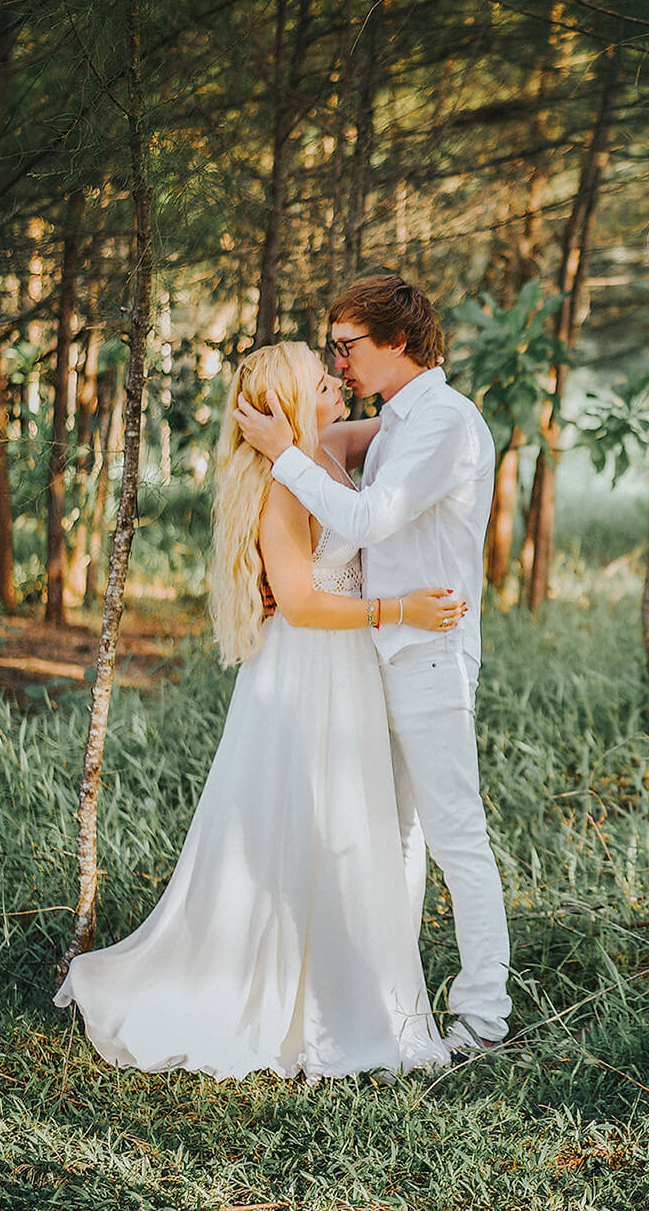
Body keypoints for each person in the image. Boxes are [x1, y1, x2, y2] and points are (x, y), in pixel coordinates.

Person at [54, 341, 465, 1081]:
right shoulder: (285, 484)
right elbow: (303, 605)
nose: (335, 375)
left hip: (348, 669)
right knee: (309, 822)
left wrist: (416, 374)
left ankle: (349, 980)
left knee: (344, 820)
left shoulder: (330, 446)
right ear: (292, 398)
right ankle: (296, 996)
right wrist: (402, 607)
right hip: (308, 670)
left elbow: (407, 419)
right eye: (320, 369)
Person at [232, 274, 509, 1057]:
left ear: (399, 341)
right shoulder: (393, 424)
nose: (340, 361)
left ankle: (484, 1017)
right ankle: (394, 1004)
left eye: (349, 346)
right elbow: (327, 463)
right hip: (371, 654)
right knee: (391, 836)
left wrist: (285, 453)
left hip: (426, 651)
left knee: (454, 833)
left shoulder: (445, 423)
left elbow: (366, 517)